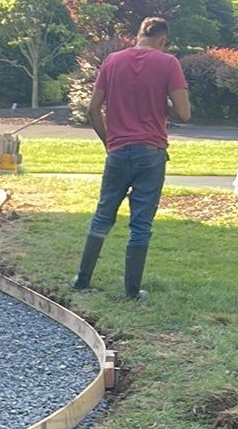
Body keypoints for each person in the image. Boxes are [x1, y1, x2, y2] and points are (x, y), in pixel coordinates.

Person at [72, 16, 190, 297]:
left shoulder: (112, 61)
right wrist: (164, 106)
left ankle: (82, 279)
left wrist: (109, 142)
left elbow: (92, 109)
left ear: (137, 35)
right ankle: (132, 291)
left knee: (102, 216)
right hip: (151, 152)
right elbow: (184, 113)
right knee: (140, 224)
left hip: (118, 150)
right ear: (162, 40)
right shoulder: (168, 63)